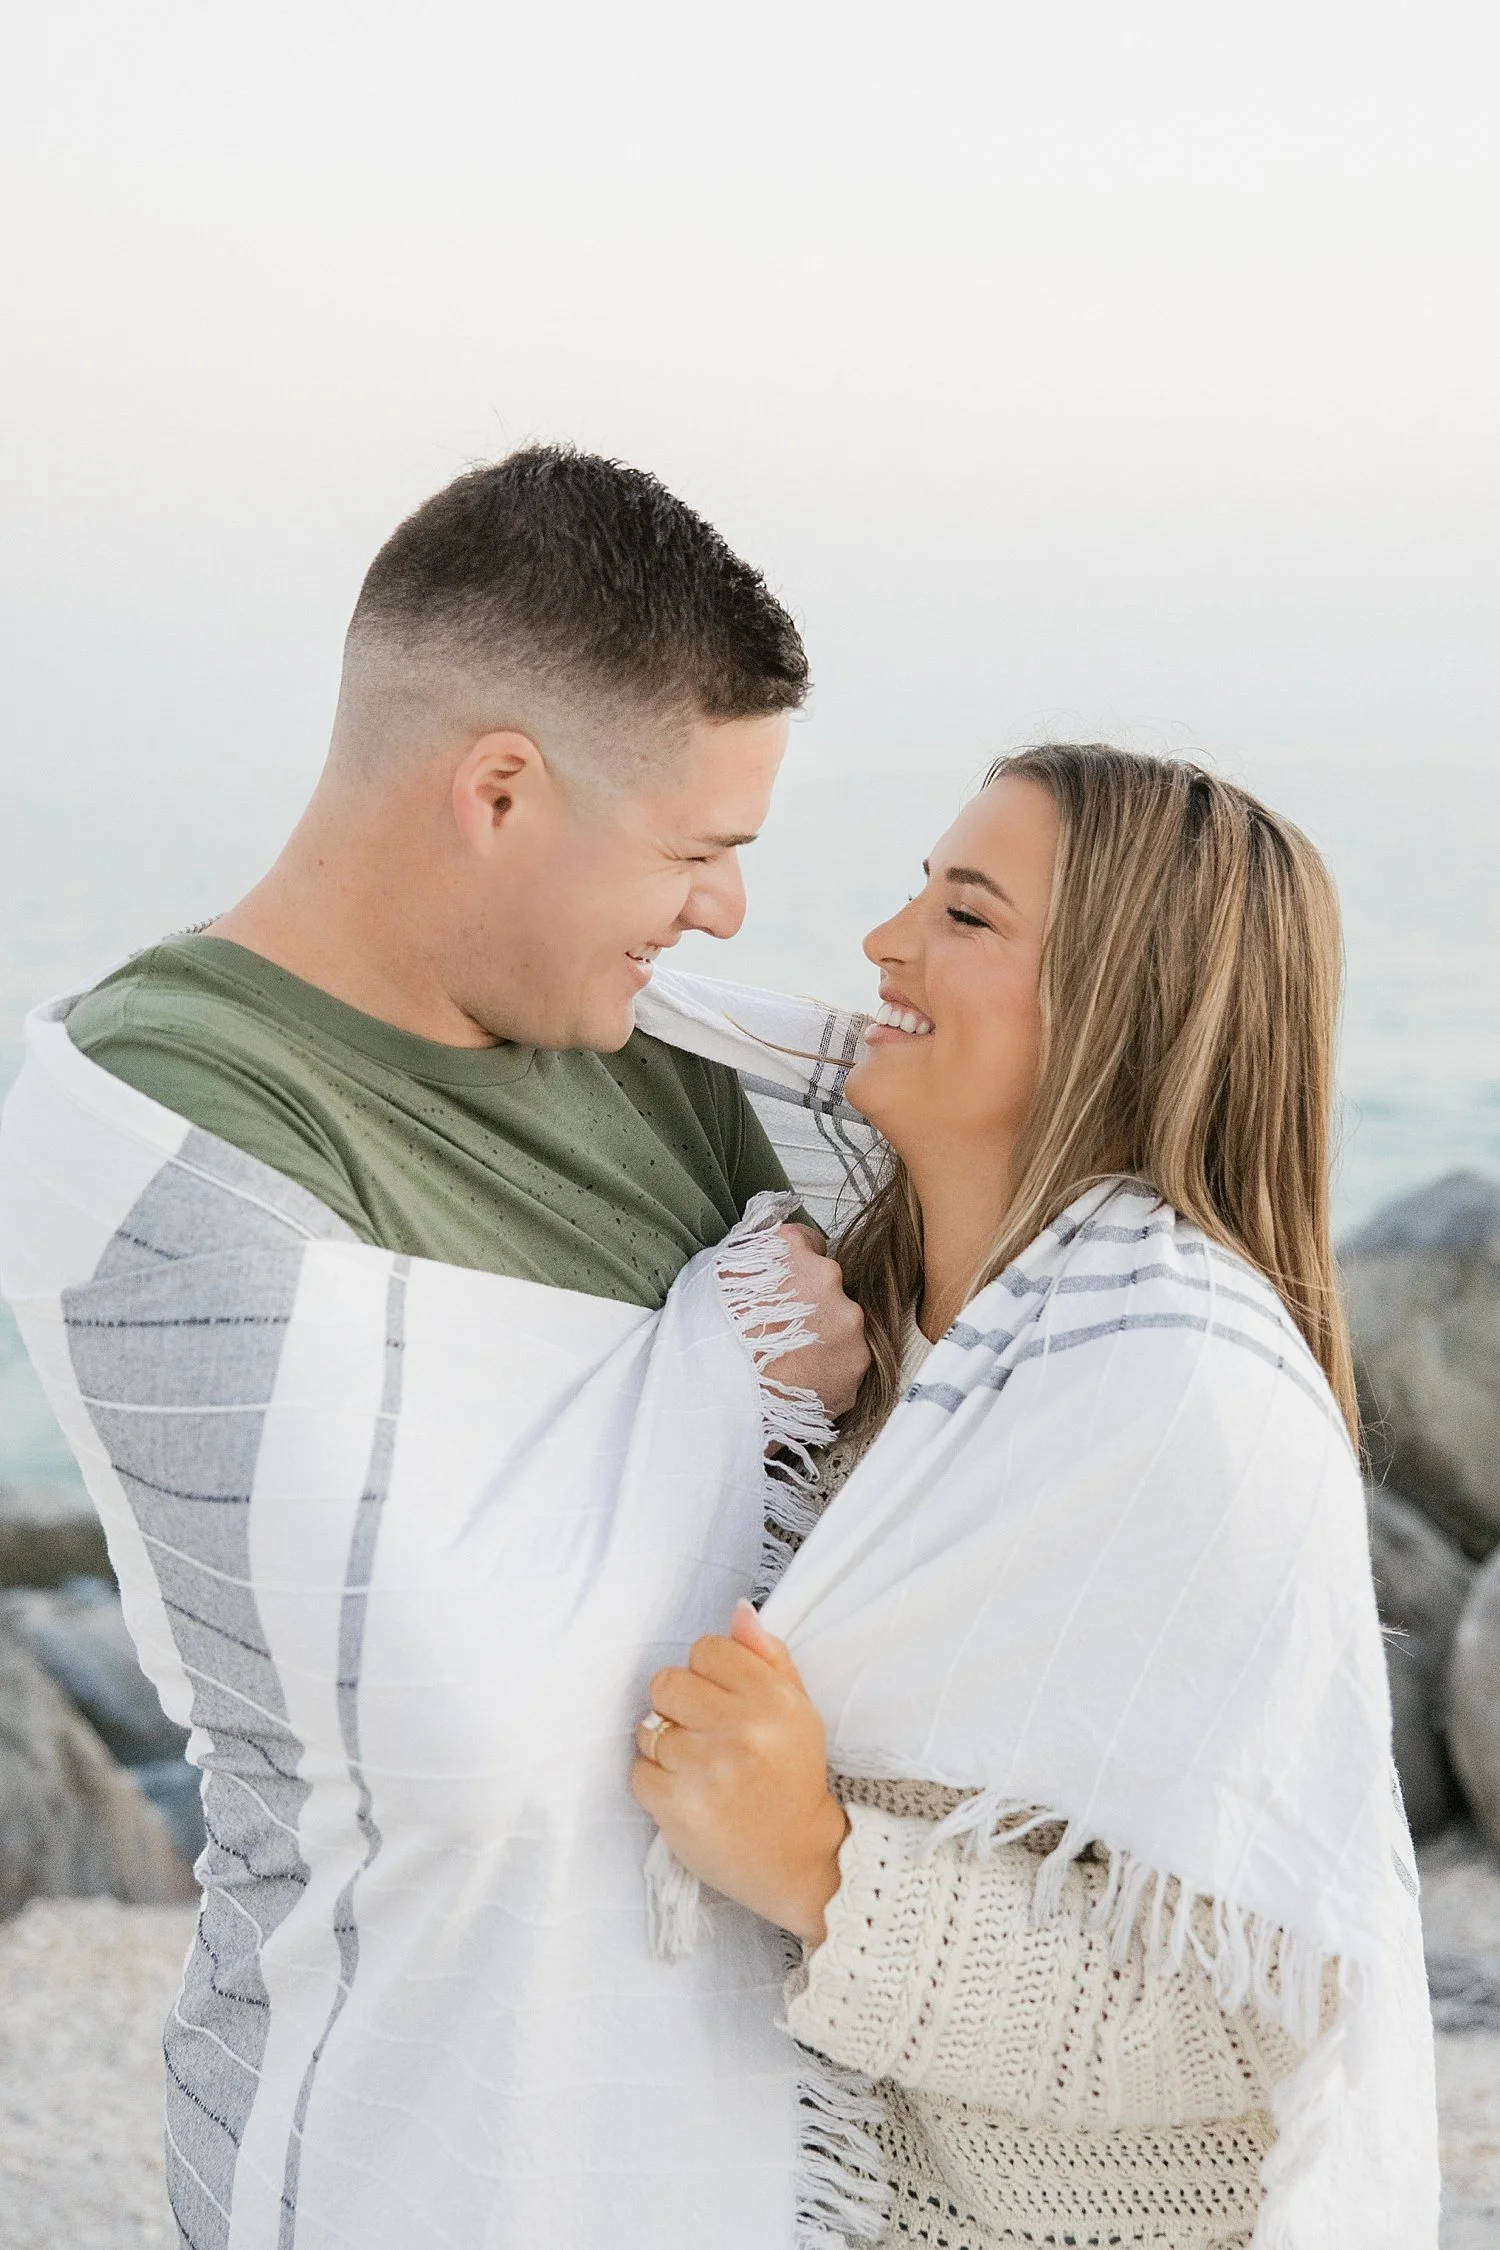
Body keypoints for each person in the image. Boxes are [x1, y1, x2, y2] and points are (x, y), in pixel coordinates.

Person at [7, 446, 870, 2248]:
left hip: (753, 2156)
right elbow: (455, 1717)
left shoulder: (671, 1052)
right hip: (391, 2152)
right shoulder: (159, 1116)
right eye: (699, 848)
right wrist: (735, 1367)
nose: (724, 910)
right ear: (499, 788)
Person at [632, 745, 1440, 2250]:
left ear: (1117, 1011)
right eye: (920, 892)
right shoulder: (837, 1320)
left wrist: (817, 1859)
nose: (885, 941)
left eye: (969, 914)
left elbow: (1246, 2005)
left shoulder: (1188, 1398)